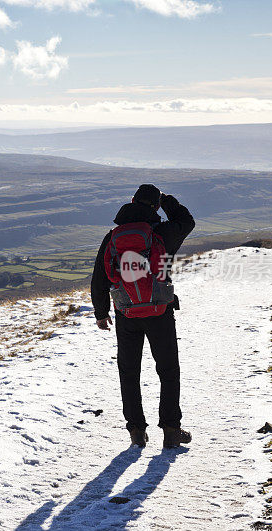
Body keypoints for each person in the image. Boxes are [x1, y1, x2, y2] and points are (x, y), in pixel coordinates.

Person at [90, 184, 195, 448]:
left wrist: (101, 313)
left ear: (132, 201)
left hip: (125, 312)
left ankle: (136, 430)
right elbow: (186, 221)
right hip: (160, 309)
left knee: (129, 371)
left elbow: (100, 277)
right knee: (168, 370)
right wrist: (168, 201)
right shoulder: (163, 233)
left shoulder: (113, 236)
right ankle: (171, 430)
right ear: (156, 206)